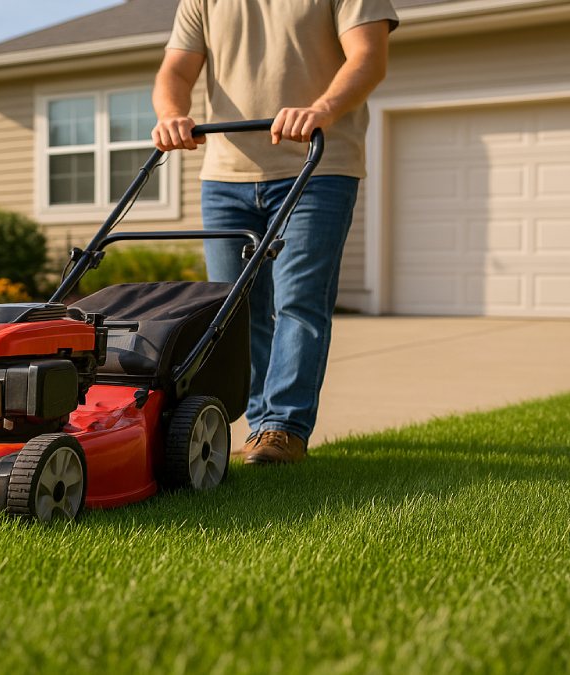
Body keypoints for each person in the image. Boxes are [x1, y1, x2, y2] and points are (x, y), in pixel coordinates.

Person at [152, 0, 399, 464]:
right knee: (234, 310)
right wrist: (171, 114)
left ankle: (283, 428)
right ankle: (260, 426)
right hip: (225, 176)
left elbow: (368, 57)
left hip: (317, 166)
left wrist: (322, 109)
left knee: (299, 300)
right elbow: (176, 71)